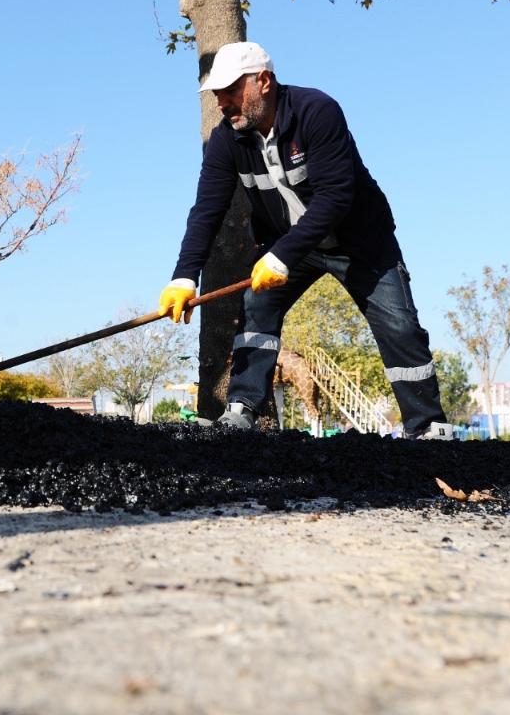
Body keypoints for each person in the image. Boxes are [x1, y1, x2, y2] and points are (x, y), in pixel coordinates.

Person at [157, 41, 450, 439]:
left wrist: (282, 256)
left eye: (230, 90)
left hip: (361, 243)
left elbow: (336, 197)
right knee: (257, 308)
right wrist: (183, 277)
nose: (222, 102)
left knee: (399, 326)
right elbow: (207, 211)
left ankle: (430, 428)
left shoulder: (317, 111)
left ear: (263, 81)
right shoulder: (226, 139)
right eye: (217, 94)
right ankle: (241, 413)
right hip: (290, 248)